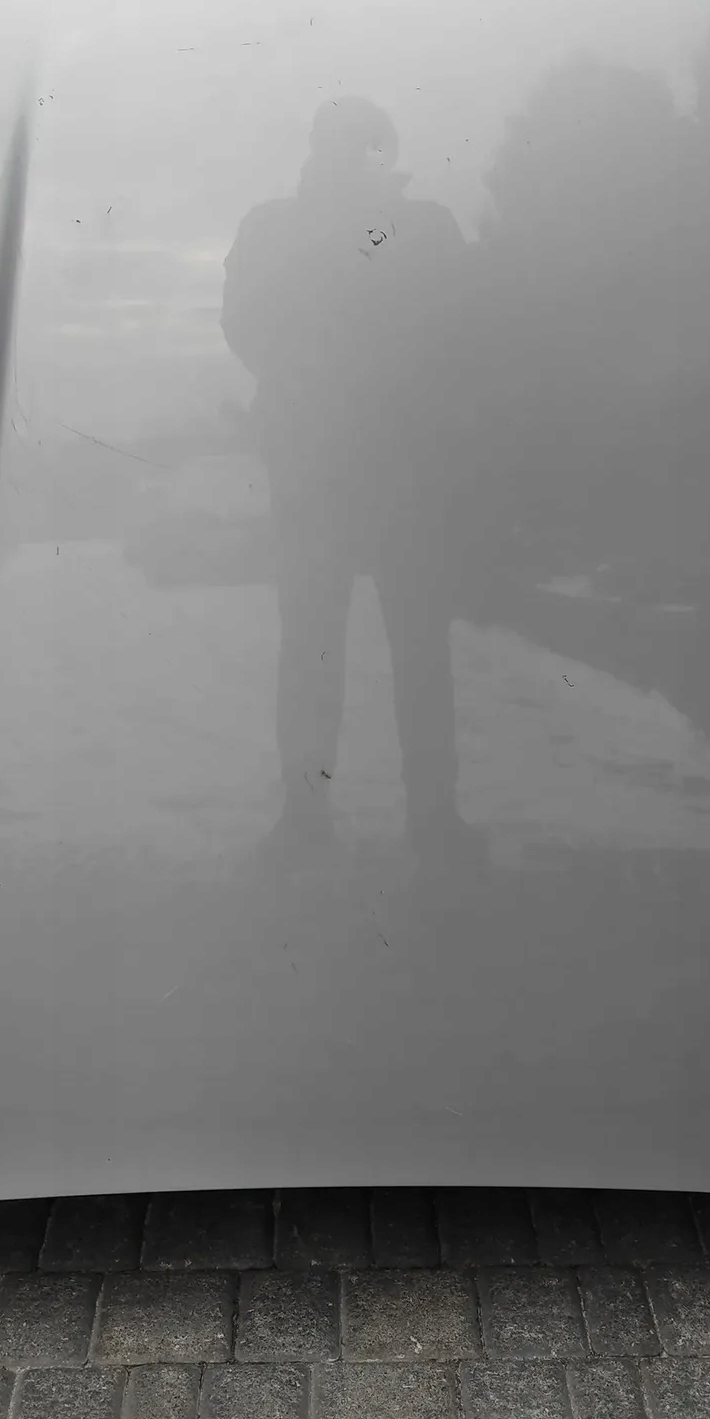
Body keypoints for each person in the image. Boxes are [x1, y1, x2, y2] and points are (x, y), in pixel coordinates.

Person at [221, 99, 476, 863]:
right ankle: (426, 820)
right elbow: (458, 325)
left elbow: (247, 326)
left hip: (333, 463)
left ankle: (317, 820)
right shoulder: (417, 225)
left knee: (319, 646)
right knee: (403, 647)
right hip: (391, 464)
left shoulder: (276, 227)